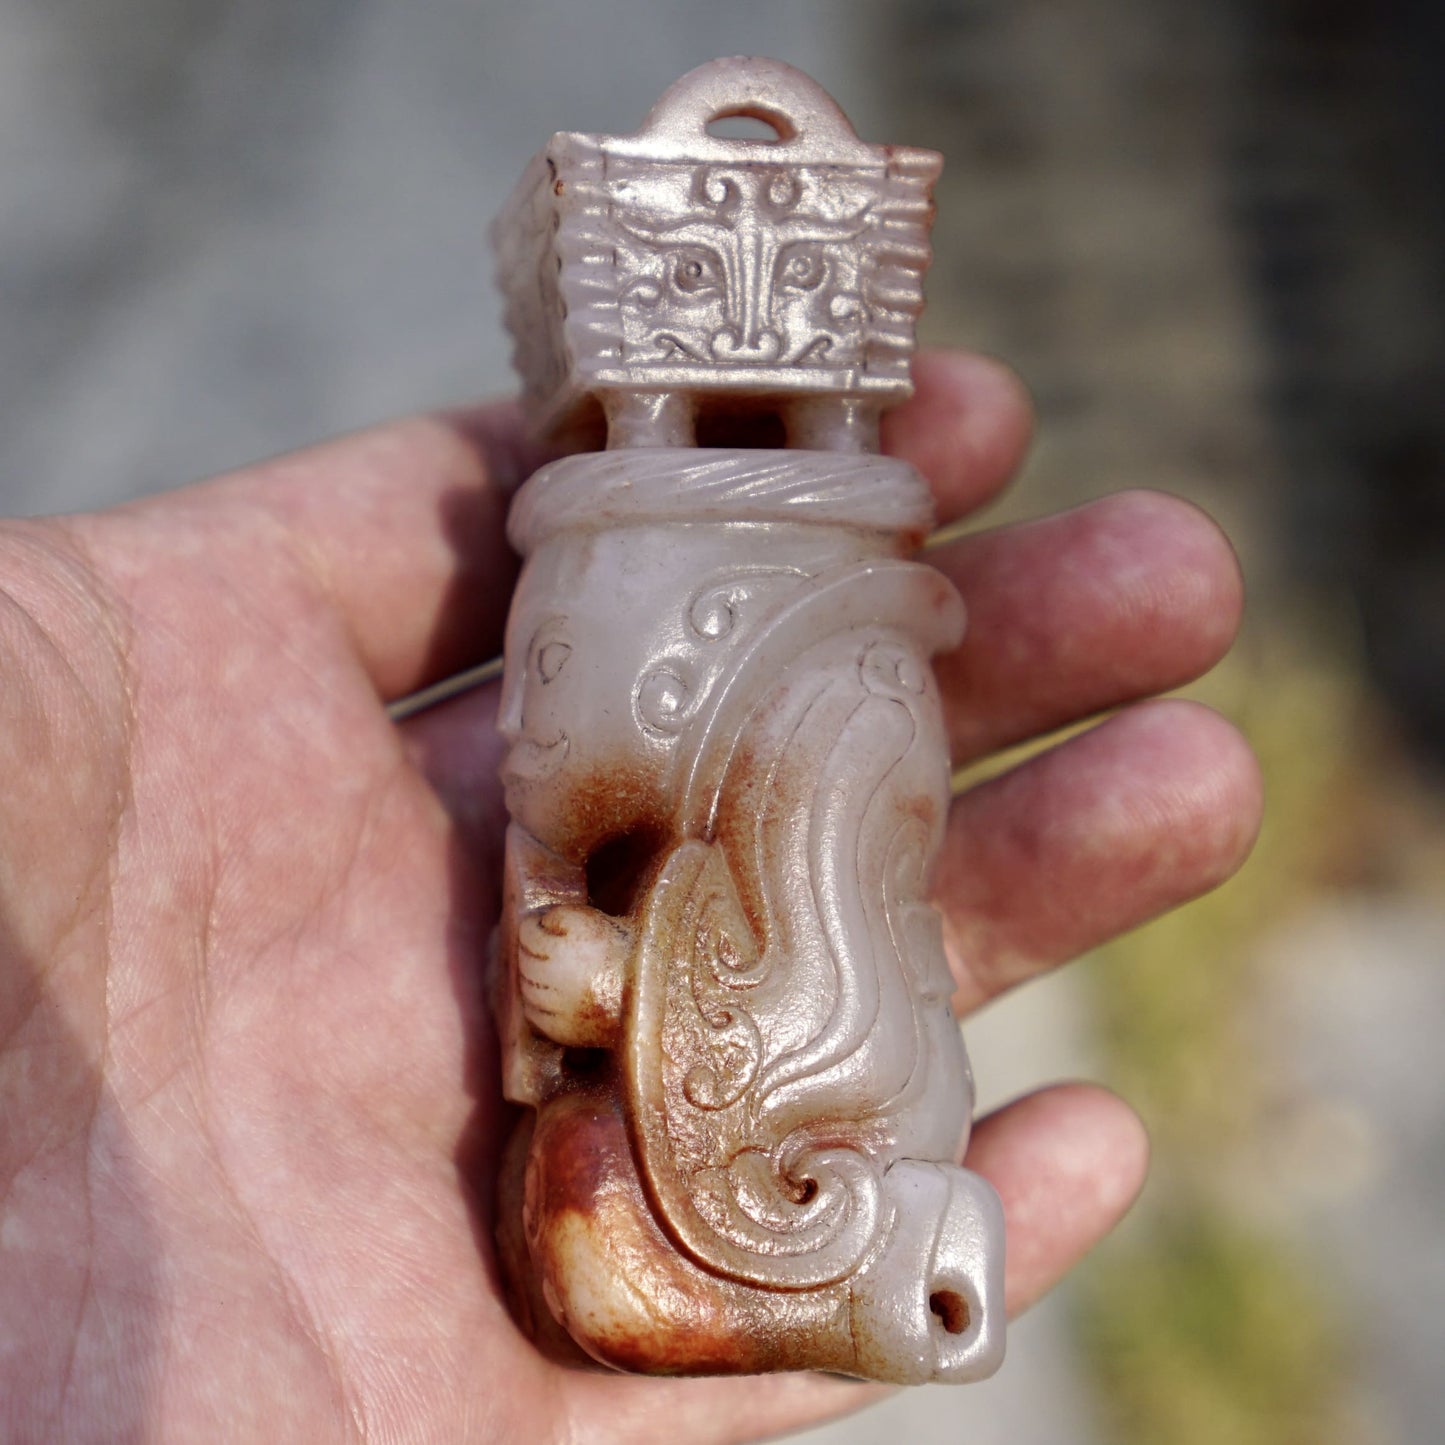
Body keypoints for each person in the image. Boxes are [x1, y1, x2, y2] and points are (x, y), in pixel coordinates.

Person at [0, 350, 1260, 1443]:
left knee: (615, 1238)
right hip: (671, 1150)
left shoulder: (845, 745)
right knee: (586, 1227)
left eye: (550, 674)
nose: (525, 718)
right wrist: (567, 993)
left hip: (797, 1147)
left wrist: (625, 988)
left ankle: (821, 1288)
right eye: (535, 675)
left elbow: (842, 998)